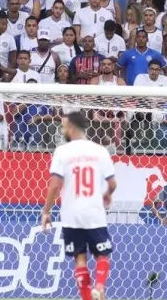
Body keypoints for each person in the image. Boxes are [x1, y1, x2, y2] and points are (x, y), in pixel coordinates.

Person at [41, 111, 117, 300]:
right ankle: (99, 287)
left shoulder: (62, 151)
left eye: (64, 127)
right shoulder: (100, 151)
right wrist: (107, 194)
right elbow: (113, 183)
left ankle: (87, 297)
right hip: (94, 212)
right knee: (102, 256)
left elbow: (55, 185)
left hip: (71, 215)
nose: (62, 130)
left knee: (80, 259)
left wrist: (46, 210)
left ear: (72, 128)